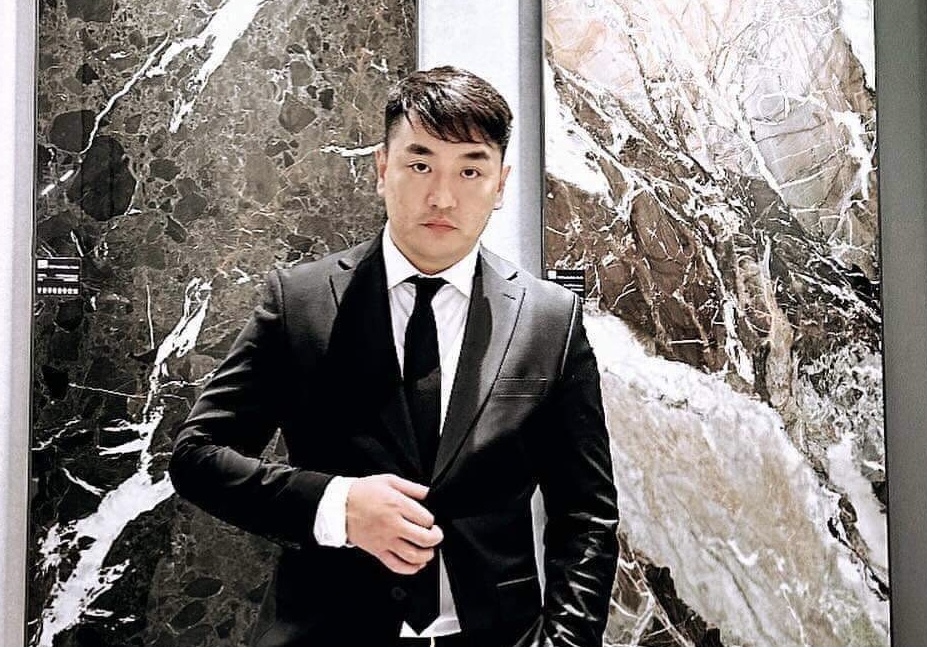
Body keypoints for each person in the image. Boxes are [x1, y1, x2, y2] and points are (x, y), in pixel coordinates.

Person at [169, 66, 619, 647]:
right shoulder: (300, 300)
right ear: (383, 169)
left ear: (500, 184)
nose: (442, 196)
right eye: (420, 164)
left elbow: (586, 515)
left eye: (471, 169)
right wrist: (337, 505)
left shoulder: (549, 319)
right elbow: (198, 456)